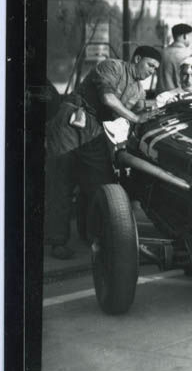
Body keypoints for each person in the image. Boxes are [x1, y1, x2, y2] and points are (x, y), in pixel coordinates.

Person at [44, 47, 161, 259]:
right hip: (71, 118)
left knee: (103, 181)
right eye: (150, 65)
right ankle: (56, 241)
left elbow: (139, 111)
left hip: (95, 128)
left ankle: (91, 234)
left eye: (156, 68)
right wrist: (136, 118)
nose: (152, 71)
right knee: (61, 179)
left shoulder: (138, 90)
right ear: (137, 59)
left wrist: (152, 112)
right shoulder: (112, 66)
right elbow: (108, 99)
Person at [156, 22, 192, 91]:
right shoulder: (188, 54)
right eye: (191, 36)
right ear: (185, 36)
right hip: (178, 97)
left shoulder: (161, 53)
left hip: (161, 96)